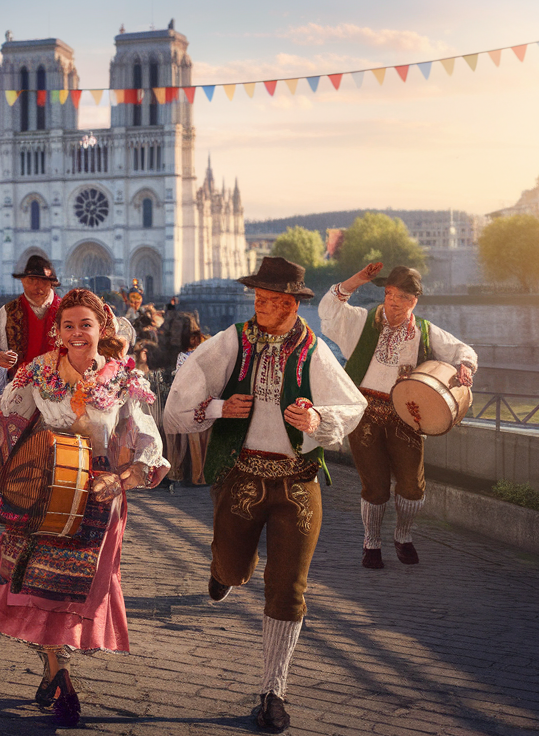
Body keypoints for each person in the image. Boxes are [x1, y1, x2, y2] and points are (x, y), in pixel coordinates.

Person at [164, 257, 366, 733]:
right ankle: (223, 569)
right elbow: (175, 406)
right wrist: (218, 406)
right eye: (256, 298)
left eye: (269, 301)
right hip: (241, 476)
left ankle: (273, 691)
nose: (259, 307)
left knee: (288, 586)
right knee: (235, 569)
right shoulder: (230, 342)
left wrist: (316, 422)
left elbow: (351, 406)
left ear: (291, 305)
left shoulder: (315, 351)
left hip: (298, 482)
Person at [0, 288, 168, 727]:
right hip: (41, 490)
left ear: (101, 329)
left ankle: (53, 667)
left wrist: (121, 478)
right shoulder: (37, 372)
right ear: (57, 331)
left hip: (100, 497)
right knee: (37, 588)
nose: (76, 333)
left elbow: (148, 442)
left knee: (73, 592)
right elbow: (7, 422)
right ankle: (61, 676)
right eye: (67, 325)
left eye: (84, 325)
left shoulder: (123, 378)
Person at [319, 263, 477, 569]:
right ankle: (371, 542)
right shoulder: (361, 322)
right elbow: (328, 311)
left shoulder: (425, 332)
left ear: (414, 301)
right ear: (385, 294)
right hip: (364, 414)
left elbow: (463, 351)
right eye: (391, 294)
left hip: (407, 415)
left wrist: (465, 367)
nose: (395, 302)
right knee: (375, 487)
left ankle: (403, 536)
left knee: (411, 486)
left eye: (404, 297)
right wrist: (357, 279)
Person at [0, 255, 62, 388]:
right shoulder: (8, 313)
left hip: (61, 394)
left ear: (52, 283)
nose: (37, 286)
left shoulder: (67, 311)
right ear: (23, 281)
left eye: (43, 281)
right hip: (19, 394)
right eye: (31, 280)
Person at [166, 330, 212, 486]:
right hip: (195, 399)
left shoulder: (201, 355)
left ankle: (199, 474)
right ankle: (197, 474)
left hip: (200, 399)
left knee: (198, 437)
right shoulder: (189, 356)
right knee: (197, 437)